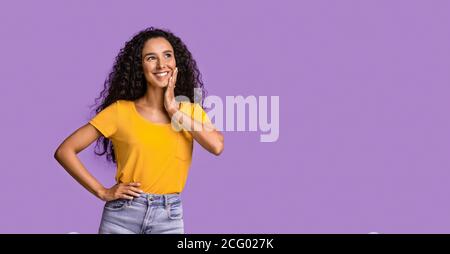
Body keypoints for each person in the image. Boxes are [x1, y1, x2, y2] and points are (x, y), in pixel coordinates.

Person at [54, 27, 224, 234]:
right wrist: (101, 191)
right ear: (139, 67)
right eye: (151, 58)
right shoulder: (120, 112)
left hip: (168, 218)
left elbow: (216, 146)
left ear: (176, 62)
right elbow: (65, 151)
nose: (162, 64)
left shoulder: (189, 112)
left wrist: (173, 109)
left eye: (167, 55)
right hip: (122, 216)